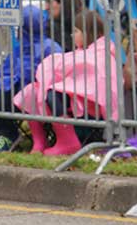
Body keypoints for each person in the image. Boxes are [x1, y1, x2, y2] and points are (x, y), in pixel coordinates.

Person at [13, 10, 117, 156]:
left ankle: (68, 141)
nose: (72, 35)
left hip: (90, 102)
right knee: (31, 91)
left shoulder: (102, 52)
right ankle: (39, 141)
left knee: (52, 94)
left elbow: (91, 79)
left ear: (87, 33)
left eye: (76, 31)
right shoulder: (83, 50)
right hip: (74, 95)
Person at [0, 4, 62, 152]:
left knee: (2, 90)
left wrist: (6, 82)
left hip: (36, 94)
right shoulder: (20, 47)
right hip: (17, 91)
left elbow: (44, 75)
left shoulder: (50, 47)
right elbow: (6, 69)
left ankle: (8, 133)